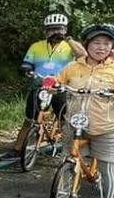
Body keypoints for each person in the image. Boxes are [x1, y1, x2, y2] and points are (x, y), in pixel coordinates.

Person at [47, 24, 114, 198]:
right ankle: (63, 197)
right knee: (67, 159)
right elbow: (57, 82)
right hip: (75, 123)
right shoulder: (73, 67)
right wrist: (52, 85)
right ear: (87, 45)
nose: (101, 47)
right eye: (97, 43)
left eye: (106, 44)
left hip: (106, 127)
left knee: (107, 168)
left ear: (111, 47)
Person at [14, 12, 82, 154]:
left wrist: (68, 39)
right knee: (30, 118)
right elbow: (27, 63)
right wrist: (26, 69)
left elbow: (83, 55)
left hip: (61, 88)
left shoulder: (70, 46)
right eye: (52, 29)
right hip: (41, 86)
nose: (55, 33)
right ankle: (18, 149)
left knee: (64, 120)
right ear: (45, 31)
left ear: (65, 30)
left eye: (59, 29)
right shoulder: (36, 46)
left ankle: (69, 150)